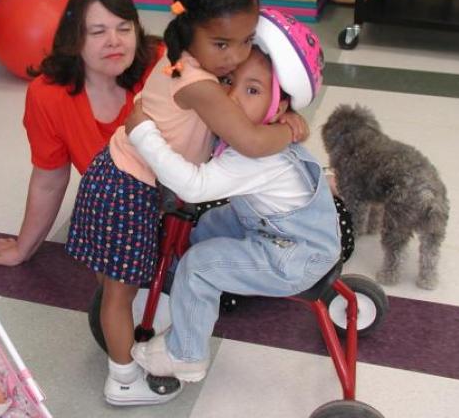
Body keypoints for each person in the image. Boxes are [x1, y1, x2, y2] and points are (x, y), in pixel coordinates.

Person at [65, 0, 309, 406]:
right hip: (127, 187)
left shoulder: (183, 57)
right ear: (189, 27)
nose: (235, 56)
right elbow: (252, 140)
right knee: (117, 295)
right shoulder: (199, 84)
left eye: (246, 41)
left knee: (117, 288)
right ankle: (122, 380)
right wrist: (290, 129)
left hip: (123, 177)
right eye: (222, 43)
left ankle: (126, 341)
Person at [127, 20, 340, 383]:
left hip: (293, 256)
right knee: (210, 224)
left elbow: (194, 187)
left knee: (199, 264)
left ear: (278, 105)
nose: (233, 98)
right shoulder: (265, 130)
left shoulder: (254, 157)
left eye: (253, 90)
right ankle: (186, 293)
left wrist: (144, 134)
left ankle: (186, 355)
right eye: (228, 83)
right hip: (280, 228)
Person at [0, 0, 162, 267]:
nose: (115, 40)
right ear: (74, 39)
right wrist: (23, 248)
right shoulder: (48, 96)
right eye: (98, 32)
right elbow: (49, 180)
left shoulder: (161, 66)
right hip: (123, 213)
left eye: (124, 29)